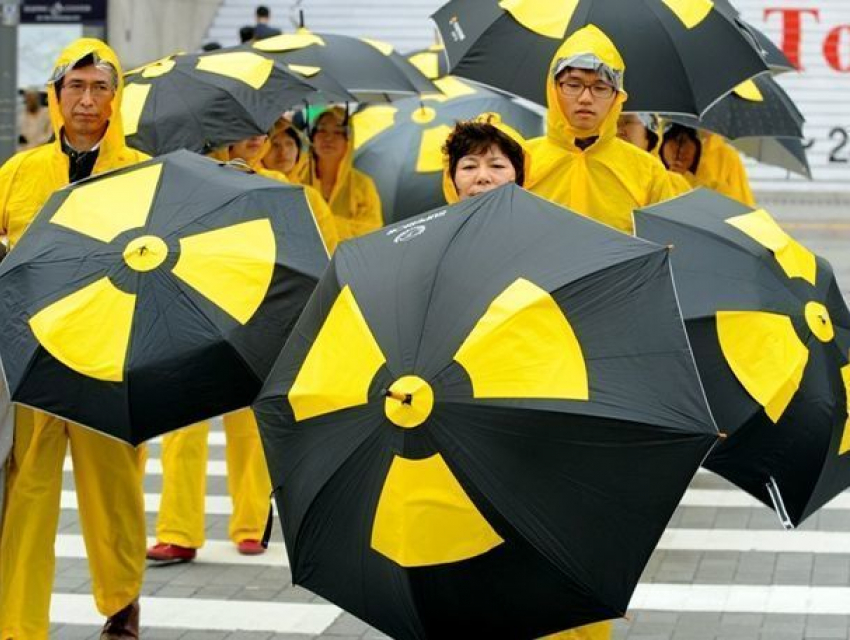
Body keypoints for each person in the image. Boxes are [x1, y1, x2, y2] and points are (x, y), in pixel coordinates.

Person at [0, 38, 149, 640]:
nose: (87, 100)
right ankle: (18, 623)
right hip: (33, 355)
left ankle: (122, 602)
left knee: (113, 488)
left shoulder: (143, 170)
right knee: (27, 491)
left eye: (100, 87)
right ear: (57, 95)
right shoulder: (19, 172)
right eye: (76, 87)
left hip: (108, 356)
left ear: (116, 97)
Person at [147, 131, 338, 564]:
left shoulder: (290, 193)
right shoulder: (193, 186)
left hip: (260, 319)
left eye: (263, 130)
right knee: (183, 428)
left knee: (251, 428)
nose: (255, 138)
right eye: (241, 130)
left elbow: (322, 254)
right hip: (195, 317)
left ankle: (251, 524)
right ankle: (177, 530)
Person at [526, 25, 674, 235]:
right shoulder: (520, 160)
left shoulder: (648, 172)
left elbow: (666, 244)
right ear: (553, 88)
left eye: (600, 88)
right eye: (573, 85)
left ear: (617, 97)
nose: (586, 98)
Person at [297, 106, 383, 241]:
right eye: (322, 130)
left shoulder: (363, 184)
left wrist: (323, 222)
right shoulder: (296, 177)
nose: (328, 138)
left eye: (338, 132)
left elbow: (371, 231)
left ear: (349, 141)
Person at [441, 114, 528, 202]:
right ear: (452, 179)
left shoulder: (539, 215)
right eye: (469, 167)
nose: (483, 177)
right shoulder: (441, 216)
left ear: (517, 175)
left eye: (497, 166)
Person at [617, 113, 691, 195]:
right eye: (614, 123)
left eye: (627, 122)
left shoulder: (674, 186)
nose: (618, 130)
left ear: (649, 132)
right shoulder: (603, 177)